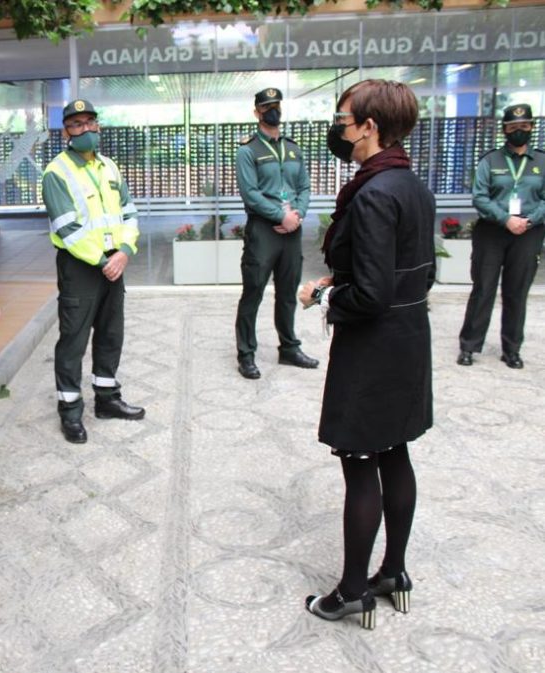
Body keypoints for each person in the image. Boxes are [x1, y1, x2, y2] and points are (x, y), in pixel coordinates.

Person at [299, 79, 434, 629]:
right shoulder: (410, 185)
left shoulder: (374, 192)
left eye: (343, 119)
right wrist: (346, 274)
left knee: (360, 465)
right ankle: (393, 572)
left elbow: (371, 294)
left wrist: (325, 292)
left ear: (369, 126)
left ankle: (353, 591)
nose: (339, 129)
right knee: (395, 453)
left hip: (373, 347)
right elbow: (403, 271)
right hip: (408, 338)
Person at [41, 99, 145, 444]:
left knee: (111, 334)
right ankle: (70, 412)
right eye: (76, 125)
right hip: (81, 267)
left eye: (90, 122)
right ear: (65, 132)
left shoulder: (110, 167)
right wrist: (105, 261)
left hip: (115, 263)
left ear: (98, 125)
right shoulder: (56, 172)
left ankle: (107, 399)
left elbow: (129, 213)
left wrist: (126, 251)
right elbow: (67, 229)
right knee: (74, 340)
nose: (85, 130)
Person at [234, 88, 319, 379]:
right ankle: (246, 354)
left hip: (291, 230)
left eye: (276, 105)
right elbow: (250, 194)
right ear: (257, 112)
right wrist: (280, 215)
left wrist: (298, 214)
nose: (273, 111)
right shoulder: (247, 150)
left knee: (287, 294)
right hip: (264, 231)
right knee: (253, 293)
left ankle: (289, 348)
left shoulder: (294, 148)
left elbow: (305, 188)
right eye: (266, 106)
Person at [457, 104, 545, 369]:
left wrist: (529, 220)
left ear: (532, 127)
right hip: (493, 231)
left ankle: (512, 349)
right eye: (513, 127)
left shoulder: (541, 161)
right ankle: (469, 346)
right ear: (504, 129)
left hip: (529, 233)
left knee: (517, 291)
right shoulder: (490, 160)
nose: (519, 131)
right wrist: (506, 219)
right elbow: (480, 196)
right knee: (483, 288)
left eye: (524, 126)